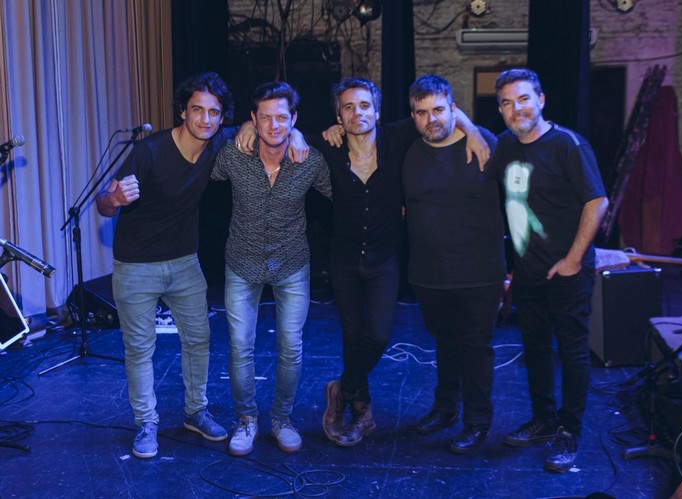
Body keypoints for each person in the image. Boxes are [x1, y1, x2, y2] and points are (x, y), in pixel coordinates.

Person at [236, 77, 490, 448]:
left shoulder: (397, 138)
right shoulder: (327, 147)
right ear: (338, 116)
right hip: (343, 259)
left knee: (380, 334)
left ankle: (343, 388)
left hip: (385, 258)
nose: (358, 113)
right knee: (354, 336)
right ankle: (361, 412)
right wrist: (252, 125)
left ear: (378, 111)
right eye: (349, 107)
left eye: (365, 105)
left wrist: (474, 132)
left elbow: (444, 113)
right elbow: (282, 129)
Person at [96, 72, 234, 459]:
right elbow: (103, 204)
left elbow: (259, 129)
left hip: (185, 261)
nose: (205, 119)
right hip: (136, 265)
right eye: (197, 110)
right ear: (182, 111)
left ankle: (195, 412)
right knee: (140, 348)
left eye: (213, 112)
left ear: (221, 117)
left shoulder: (217, 142)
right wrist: (115, 199)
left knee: (199, 340)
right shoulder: (149, 151)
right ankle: (146, 423)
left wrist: (294, 136)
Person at [492, 68, 608, 473]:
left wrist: (573, 259)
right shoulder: (505, 145)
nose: (516, 108)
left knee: (572, 353)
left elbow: (597, 202)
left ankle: (568, 430)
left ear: (541, 100)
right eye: (507, 103)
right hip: (527, 271)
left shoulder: (568, 145)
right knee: (536, 349)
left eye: (523, 98)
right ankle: (543, 420)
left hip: (567, 271)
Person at [212, 81, 331, 456]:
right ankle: (247, 419)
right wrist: (240, 129)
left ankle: (282, 419)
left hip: (291, 262)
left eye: (282, 117)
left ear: (294, 119)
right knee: (239, 346)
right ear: (253, 118)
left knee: (291, 347)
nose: (274, 125)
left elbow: (342, 193)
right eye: (264, 117)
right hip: (242, 262)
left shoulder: (309, 160)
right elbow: (201, 149)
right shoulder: (234, 155)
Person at [402, 74, 506, 455]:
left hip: (480, 272)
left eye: (439, 110)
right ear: (413, 116)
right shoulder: (409, 152)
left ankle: (477, 422)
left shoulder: (484, 144)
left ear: (453, 109)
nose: (432, 119)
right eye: (422, 112)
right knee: (445, 343)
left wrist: (471, 129)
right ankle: (446, 408)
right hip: (429, 273)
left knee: (475, 348)